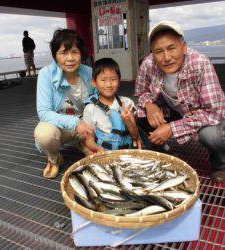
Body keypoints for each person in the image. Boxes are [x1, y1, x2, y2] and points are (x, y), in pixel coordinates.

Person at [135, 21, 225, 182]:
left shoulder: (200, 63)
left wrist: (172, 128)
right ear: (152, 53)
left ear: (184, 47)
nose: (166, 57)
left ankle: (221, 164)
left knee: (212, 135)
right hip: (173, 112)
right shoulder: (148, 64)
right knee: (139, 116)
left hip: (204, 117)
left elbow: (215, 112)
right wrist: (150, 105)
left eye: (171, 48)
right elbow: (141, 92)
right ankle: (163, 150)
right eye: (159, 51)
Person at [34, 29, 95, 179]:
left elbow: (97, 101)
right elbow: (43, 112)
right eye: (63, 53)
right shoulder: (46, 74)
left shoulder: (89, 72)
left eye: (75, 52)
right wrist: (75, 123)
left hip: (85, 124)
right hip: (61, 127)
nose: (70, 58)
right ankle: (54, 159)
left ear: (81, 54)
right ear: (55, 55)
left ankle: (83, 142)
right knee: (45, 135)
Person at [82, 58, 142, 154]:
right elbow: (89, 139)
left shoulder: (127, 103)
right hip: (103, 154)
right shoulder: (90, 109)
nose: (109, 84)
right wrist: (96, 150)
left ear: (119, 81)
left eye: (113, 79)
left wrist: (128, 121)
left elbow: (135, 136)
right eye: (103, 80)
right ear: (94, 83)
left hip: (127, 152)